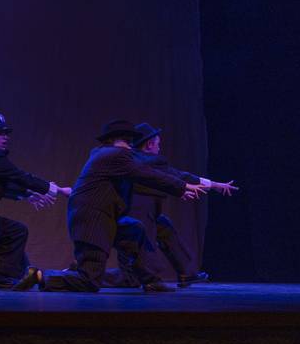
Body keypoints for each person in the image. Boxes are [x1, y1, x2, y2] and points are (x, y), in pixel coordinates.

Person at [13, 120, 208, 293]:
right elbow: (146, 174)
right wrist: (182, 186)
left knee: (134, 230)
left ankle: (151, 282)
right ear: (121, 140)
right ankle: (41, 276)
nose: (131, 147)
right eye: (129, 142)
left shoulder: (107, 155)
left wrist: (183, 185)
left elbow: (147, 174)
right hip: (92, 222)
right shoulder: (114, 155)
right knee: (89, 281)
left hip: (104, 220)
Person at [102, 122, 238, 288]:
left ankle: (187, 273)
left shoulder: (134, 159)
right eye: (158, 145)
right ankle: (82, 273)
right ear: (150, 144)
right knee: (130, 278)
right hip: (138, 212)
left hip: (145, 212)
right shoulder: (148, 160)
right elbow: (180, 175)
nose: (159, 149)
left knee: (164, 226)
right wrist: (215, 185)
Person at [0, 113, 71, 289]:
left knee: (16, 231)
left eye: (6, 134)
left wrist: (27, 195)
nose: (5, 137)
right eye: (0, 133)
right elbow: (20, 176)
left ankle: (3, 277)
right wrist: (57, 189)